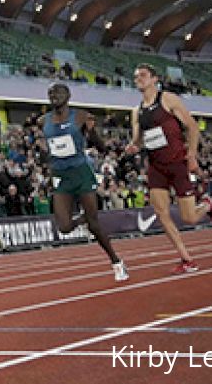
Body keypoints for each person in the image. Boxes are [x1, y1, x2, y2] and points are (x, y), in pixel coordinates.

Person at [125, 64, 212, 274]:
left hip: (177, 163)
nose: (138, 79)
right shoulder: (136, 111)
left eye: (142, 75)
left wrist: (192, 156)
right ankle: (186, 258)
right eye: (135, 77)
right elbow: (138, 140)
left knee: (189, 217)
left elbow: (192, 126)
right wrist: (134, 146)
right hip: (156, 167)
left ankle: (206, 205)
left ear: (154, 79)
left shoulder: (167, 99)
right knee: (161, 213)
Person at [41, 83, 127, 281]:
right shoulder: (42, 121)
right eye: (50, 93)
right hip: (61, 176)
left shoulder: (80, 116)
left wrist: (92, 131)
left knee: (95, 225)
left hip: (81, 173)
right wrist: (48, 171)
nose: (54, 95)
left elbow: (101, 147)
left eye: (58, 92)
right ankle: (83, 217)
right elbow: (49, 149)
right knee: (63, 227)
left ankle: (116, 262)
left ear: (68, 96)